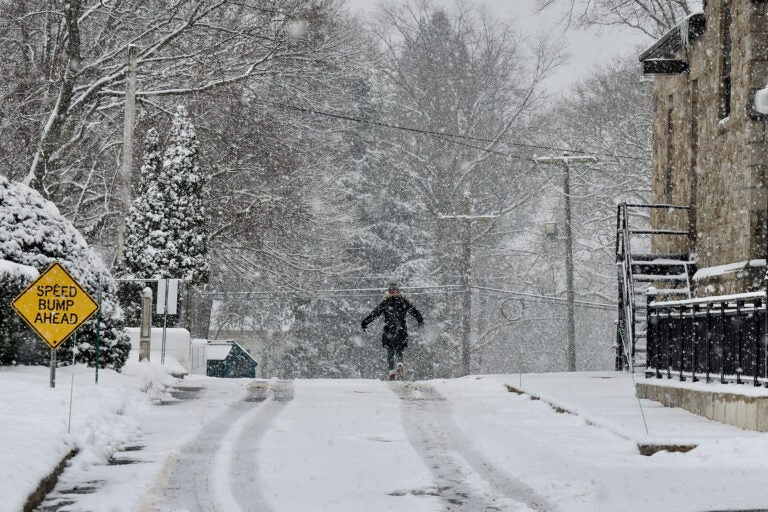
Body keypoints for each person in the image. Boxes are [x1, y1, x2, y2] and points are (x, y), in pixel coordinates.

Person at [361, 283, 424, 381]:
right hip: (401, 330)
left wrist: (365, 322)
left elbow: (375, 313)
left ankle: (391, 373)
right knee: (399, 352)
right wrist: (420, 320)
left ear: (389, 292)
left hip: (389, 331)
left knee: (390, 353)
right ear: (398, 292)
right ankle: (400, 364)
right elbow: (414, 312)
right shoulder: (404, 302)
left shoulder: (385, 303)